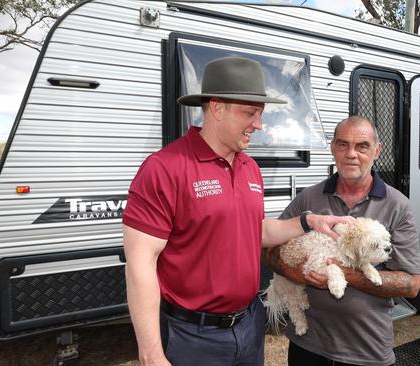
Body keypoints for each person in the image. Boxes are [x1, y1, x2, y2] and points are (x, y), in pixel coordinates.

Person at [122, 57, 352, 366]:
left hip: (248, 325)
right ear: (216, 107)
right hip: (193, 337)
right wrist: (151, 353)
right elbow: (140, 265)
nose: (258, 124)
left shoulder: (249, 168)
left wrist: (307, 221)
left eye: (260, 114)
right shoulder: (164, 168)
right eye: (250, 113)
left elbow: (255, 230)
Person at [265, 115, 420, 366]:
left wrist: (347, 275)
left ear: (377, 151)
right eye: (342, 144)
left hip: (366, 349)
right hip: (308, 346)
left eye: (362, 146)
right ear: (332, 148)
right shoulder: (309, 199)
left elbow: (411, 285)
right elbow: (269, 249)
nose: (351, 154)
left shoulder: (397, 206)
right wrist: (294, 273)